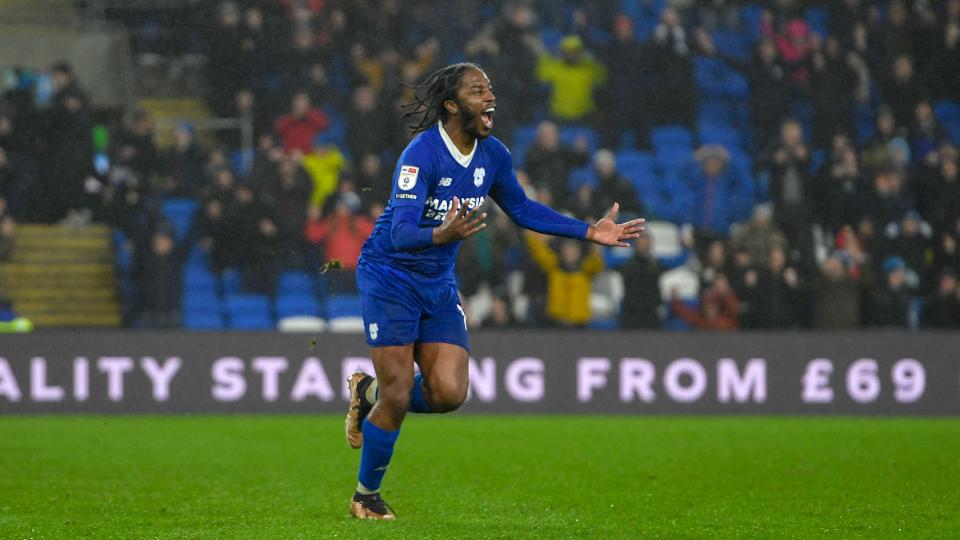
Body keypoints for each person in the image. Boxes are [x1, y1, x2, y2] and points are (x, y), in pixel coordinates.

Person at [343, 63, 645, 520]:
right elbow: (401, 233)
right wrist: (439, 237)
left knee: (449, 393)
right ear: (451, 104)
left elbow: (521, 209)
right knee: (401, 394)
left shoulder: (494, 155)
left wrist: (588, 232)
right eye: (477, 90)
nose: (490, 97)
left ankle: (366, 395)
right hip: (391, 277)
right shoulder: (420, 155)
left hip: (438, 282)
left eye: (491, 89)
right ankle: (365, 496)